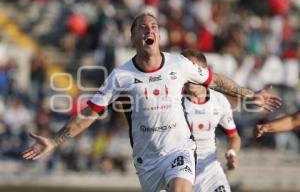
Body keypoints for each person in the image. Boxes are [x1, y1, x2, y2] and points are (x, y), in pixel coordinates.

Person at [22, 12, 281, 192]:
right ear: (134, 37)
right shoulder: (121, 76)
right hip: (146, 159)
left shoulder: (179, 64)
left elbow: (216, 81)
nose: (150, 30)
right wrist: (55, 142)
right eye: (143, 27)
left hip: (179, 149)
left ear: (160, 35)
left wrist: (249, 95)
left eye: (154, 26)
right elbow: (90, 113)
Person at [182, 50, 241, 192]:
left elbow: (233, 136)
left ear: (204, 73)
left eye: (193, 71)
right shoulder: (173, 100)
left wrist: (232, 153)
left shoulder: (219, 100)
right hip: (179, 169)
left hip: (209, 169)